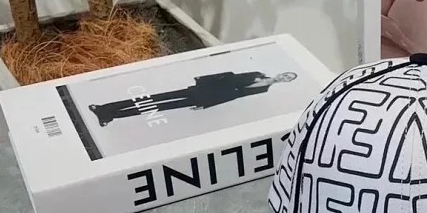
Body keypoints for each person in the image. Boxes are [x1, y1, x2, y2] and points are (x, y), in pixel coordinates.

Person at [89, 71, 297, 126]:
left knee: (158, 108)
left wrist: (206, 106)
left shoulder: (263, 90)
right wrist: (202, 79)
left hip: (206, 98)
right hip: (202, 88)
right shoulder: (257, 73)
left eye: (288, 79)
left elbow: (232, 97)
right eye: (286, 75)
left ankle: (111, 116)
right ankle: (103, 107)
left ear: (286, 82)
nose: (284, 78)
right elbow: (228, 75)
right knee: (154, 98)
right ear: (282, 73)